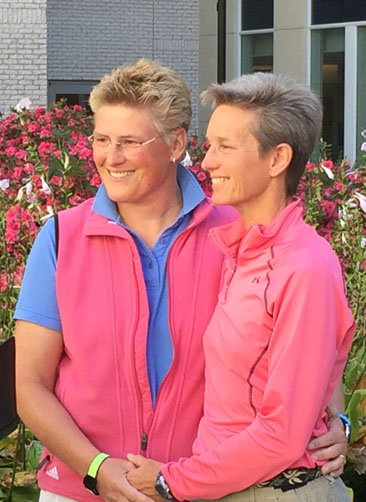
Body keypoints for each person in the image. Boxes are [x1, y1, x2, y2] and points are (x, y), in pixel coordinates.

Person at [13, 59, 350, 502]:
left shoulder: (239, 233)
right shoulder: (61, 239)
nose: (109, 158)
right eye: (101, 139)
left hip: (202, 489)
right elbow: (30, 387)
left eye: (129, 141)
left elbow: (310, 338)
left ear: (174, 145)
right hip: (82, 490)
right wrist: (96, 469)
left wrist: (334, 423)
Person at [125, 73, 354, 501]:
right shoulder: (240, 250)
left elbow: (282, 434)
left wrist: (169, 481)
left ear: (277, 159)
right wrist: (336, 420)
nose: (207, 162)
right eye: (210, 145)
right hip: (233, 487)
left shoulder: (304, 266)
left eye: (225, 147)